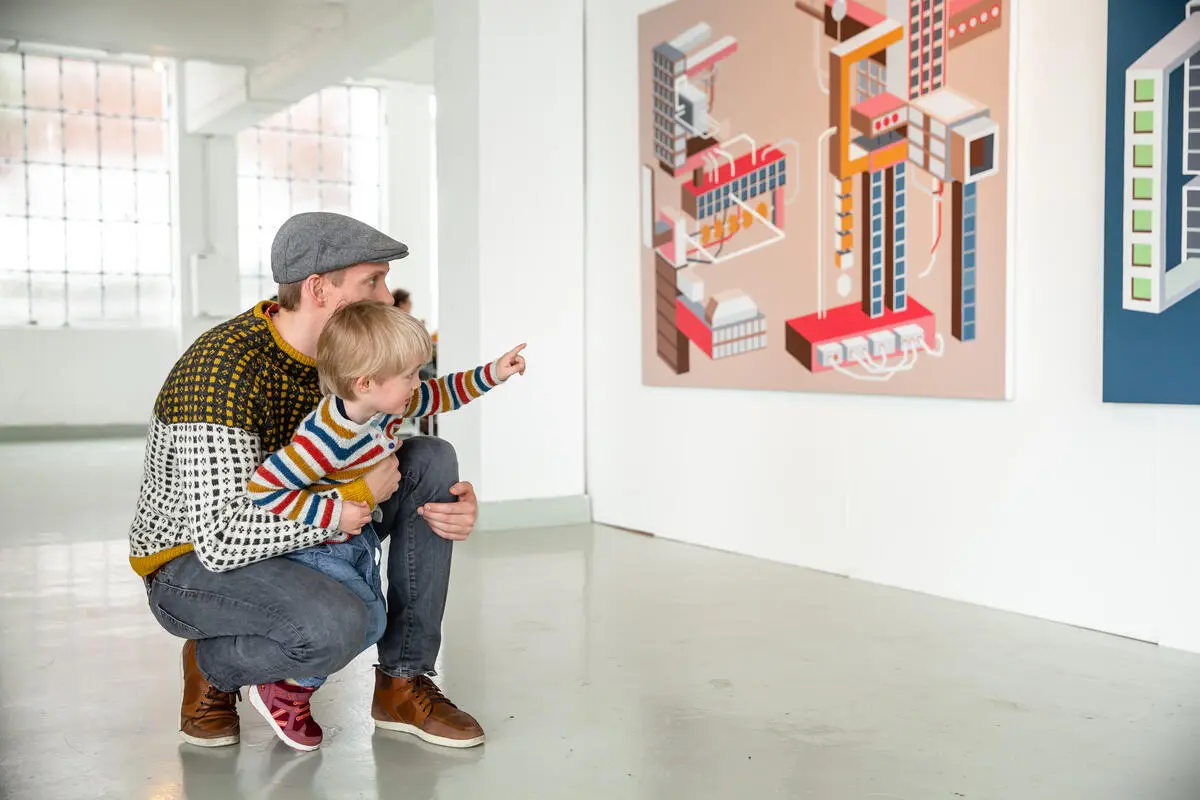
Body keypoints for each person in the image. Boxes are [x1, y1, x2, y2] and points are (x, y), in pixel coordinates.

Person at [128, 211, 494, 750]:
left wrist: (446, 504)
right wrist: (356, 496)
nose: (389, 295)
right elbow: (222, 538)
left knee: (431, 458)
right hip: (191, 565)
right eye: (373, 280)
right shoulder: (221, 371)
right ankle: (213, 661)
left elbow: (397, 430)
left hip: (303, 528)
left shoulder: (347, 355)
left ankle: (402, 682)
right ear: (319, 289)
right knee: (341, 623)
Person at [244, 301, 526, 751]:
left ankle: (387, 686)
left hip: (354, 538)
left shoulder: (383, 405)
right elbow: (264, 489)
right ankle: (285, 687)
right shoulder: (323, 439)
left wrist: (494, 371)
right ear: (365, 382)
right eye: (410, 375)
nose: (418, 384)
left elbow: (443, 393)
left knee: (372, 617)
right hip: (319, 547)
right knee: (369, 618)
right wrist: (335, 510)